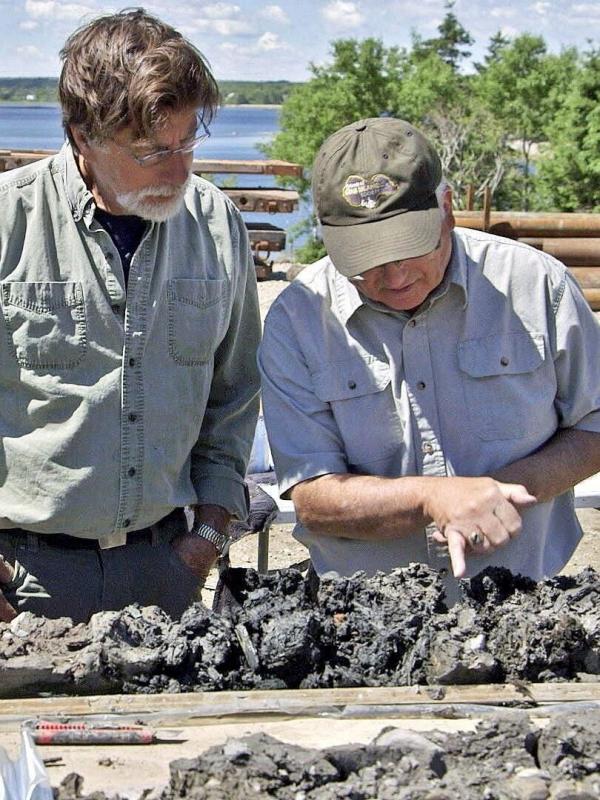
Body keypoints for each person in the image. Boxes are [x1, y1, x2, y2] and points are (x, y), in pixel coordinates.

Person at [259, 117, 600, 599]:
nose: (393, 276)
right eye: (366, 259)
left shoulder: (536, 286)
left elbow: (594, 425)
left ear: (447, 209)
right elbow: (312, 496)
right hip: (366, 625)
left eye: (409, 248)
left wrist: (497, 494)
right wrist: (432, 498)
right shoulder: (298, 319)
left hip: (531, 604)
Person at [0, 9, 261, 623]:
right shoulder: (8, 223)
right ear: (82, 136)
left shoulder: (218, 224)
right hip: (21, 581)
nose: (178, 170)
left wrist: (208, 542)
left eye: (186, 142)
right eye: (150, 151)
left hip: (165, 573)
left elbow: (236, 393)